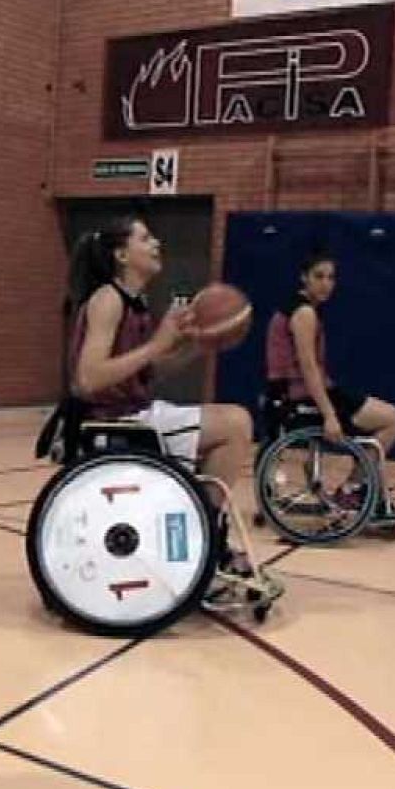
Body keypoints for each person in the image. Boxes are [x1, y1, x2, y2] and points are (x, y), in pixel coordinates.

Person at [66, 216, 256, 576]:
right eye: (145, 238)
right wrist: (157, 344)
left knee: (227, 428)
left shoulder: (135, 302)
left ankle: (201, 531)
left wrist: (197, 346)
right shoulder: (108, 299)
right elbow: (88, 379)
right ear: (122, 255)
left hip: (136, 412)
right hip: (114, 421)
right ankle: (206, 537)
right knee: (236, 423)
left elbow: (148, 372)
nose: (156, 243)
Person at [264, 249, 395, 523]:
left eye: (331, 277)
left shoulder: (294, 307)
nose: (326, 284)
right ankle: (351, 488)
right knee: (391, 420)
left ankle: (356, 485)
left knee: (384, 414)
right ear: (303, 277)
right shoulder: (304, 313)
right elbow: (309, 369)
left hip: (289, 394)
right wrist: (329, 415)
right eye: (319, 276)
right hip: (299, 397)